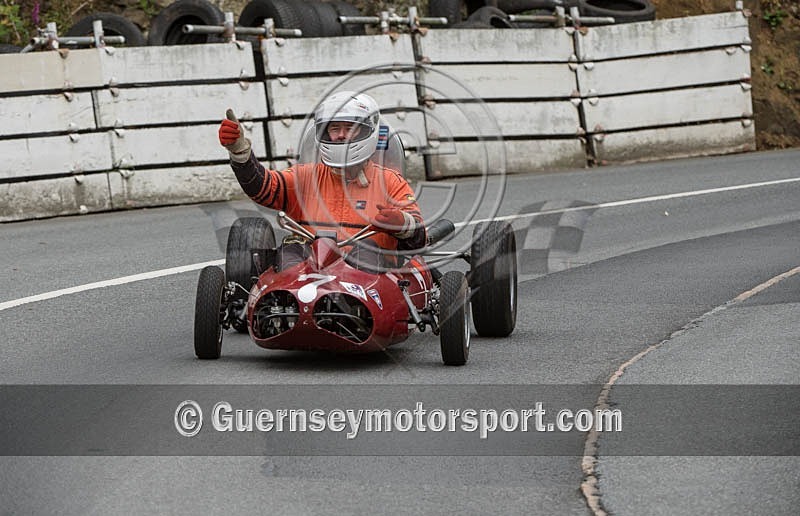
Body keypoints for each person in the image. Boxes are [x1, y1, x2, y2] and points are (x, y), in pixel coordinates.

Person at [218, 91, 426, 271]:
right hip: (309, 274)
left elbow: (418, 237)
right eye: (334, 128)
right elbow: (262, 188)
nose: (341, 135)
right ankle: (285, 307)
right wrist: (240, 153)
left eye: (350, 128)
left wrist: (402, 224)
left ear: (367, 132)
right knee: (290, 252)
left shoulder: (390, 182)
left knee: (365, 253)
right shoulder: (305, 177)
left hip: (369, 279)